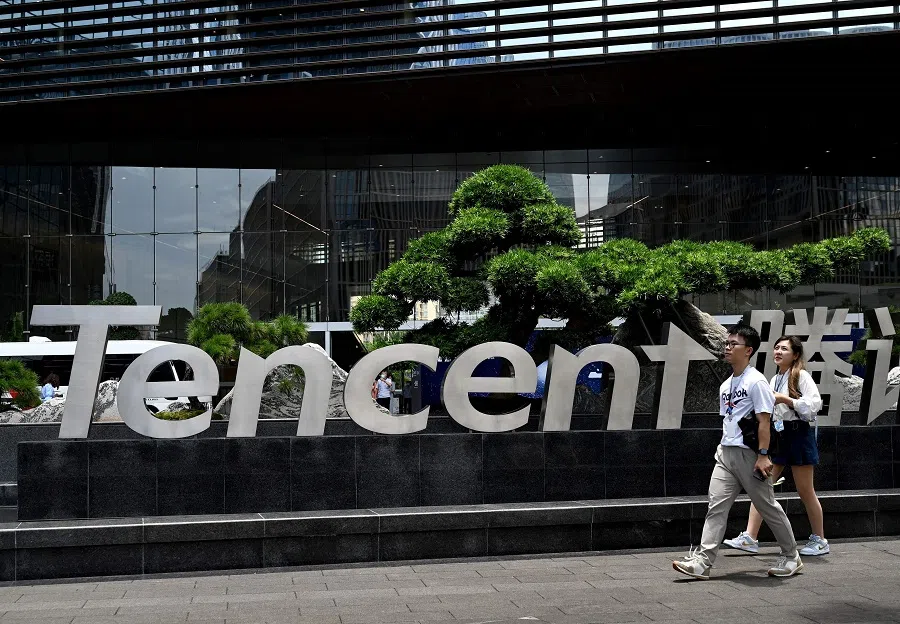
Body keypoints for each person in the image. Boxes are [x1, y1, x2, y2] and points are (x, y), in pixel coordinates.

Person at [673, 323, 802, 579]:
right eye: (727, 343)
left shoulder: (757, 382)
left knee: (767, 507)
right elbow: (729, 419)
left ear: (748, 350)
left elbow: (764, 420)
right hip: (726, 454)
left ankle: (791, 556)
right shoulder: (726, 385)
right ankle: (702, 561)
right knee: (716, 507)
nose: (728, 348)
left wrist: (763, 455)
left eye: (734, 344)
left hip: (750, 455)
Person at [724, 335, 828, 556]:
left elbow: (814, 405)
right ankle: (750, 537)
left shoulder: (801, 376)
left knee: (805, 491)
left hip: (799, 434)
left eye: (784, 349)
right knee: (760, 485)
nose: (778, 352)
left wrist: (786, 399)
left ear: (795, 355)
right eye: (776, 348)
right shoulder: (773, 378)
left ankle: (820, 539)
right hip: (779, 435)